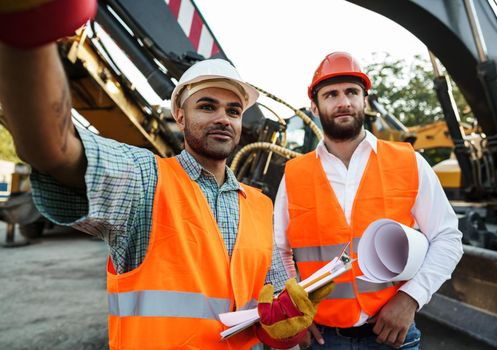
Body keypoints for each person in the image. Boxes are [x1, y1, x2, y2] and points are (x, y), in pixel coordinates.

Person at [0, 1, 330, 349]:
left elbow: (270, 320)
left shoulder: (261, 207)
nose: (223, 118)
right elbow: (53, 149)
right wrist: (29, 27)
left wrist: (288, 324)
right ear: (180, 115)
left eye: (233, 110)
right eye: (207, 106)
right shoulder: (146, 181)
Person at [274, 52, 464, 349]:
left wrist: (410, 298)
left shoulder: (408, 162)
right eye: (331, 94)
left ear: (365, 100)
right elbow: (279, 250)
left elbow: (447, 238)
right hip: (324, 339)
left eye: (352, 92)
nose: (343, 102)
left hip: (393, 335)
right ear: (314, 105)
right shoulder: (294, 174)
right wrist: (297, 310)